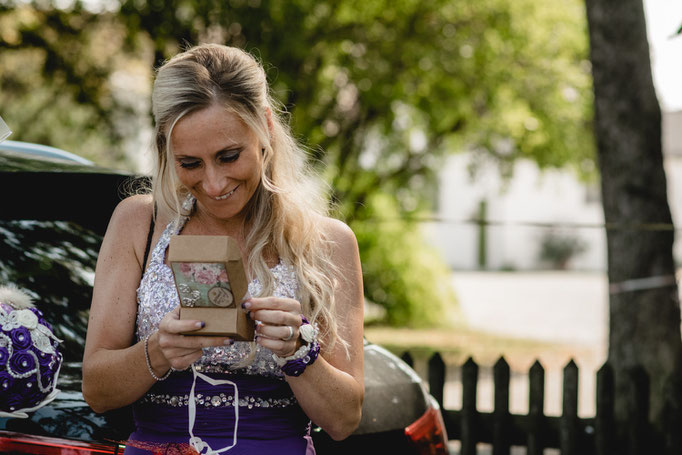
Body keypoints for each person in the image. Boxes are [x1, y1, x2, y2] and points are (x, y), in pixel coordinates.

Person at [81, 43, 364, 454]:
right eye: (190, 163)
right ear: (165, 149)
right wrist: (158, 351)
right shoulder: (138, 223)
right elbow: (97, 390)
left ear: (265, 126)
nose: (214, 185)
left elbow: (344, 420)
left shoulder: (328, 242)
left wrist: (299, 352)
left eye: (229, 156)